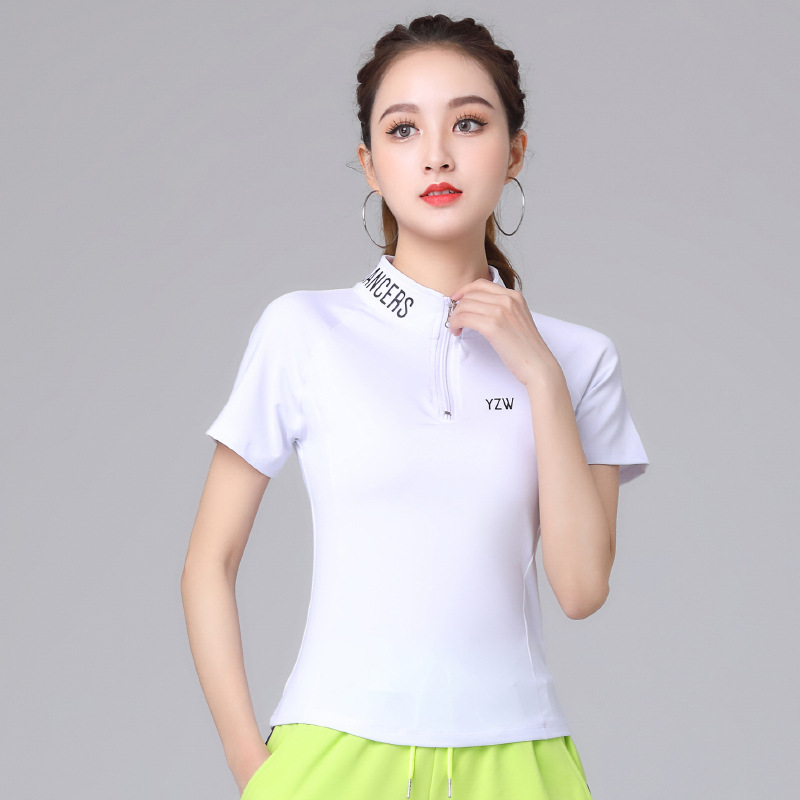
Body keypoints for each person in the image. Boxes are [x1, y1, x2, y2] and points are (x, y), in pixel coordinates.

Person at [181, 13, 649, 800]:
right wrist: (251, 769)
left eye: (468, 123)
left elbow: (580, 589)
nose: (436, 154)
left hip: (518, 758)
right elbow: (208, 562)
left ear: (515, 151)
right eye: (403, 130)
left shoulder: (578, 359)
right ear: (370, 164)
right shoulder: (304, 331)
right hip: (332, 752)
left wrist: (540, 377)